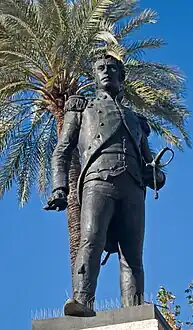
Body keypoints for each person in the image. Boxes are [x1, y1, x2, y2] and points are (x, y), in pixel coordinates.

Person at [44, 55, 166, 317]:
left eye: (112, 68)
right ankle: (82, 301)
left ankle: (134, 309)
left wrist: (155, 174)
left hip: (133, 188)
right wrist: (59, 188)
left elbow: (148, 161)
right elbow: (61, 151)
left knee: (132, 255)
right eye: (100, 68)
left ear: (122, 80)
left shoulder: (136, 120)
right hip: (98, 182)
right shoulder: (82, 110)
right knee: (91, 240)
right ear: (95, 76)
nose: (106, 72)